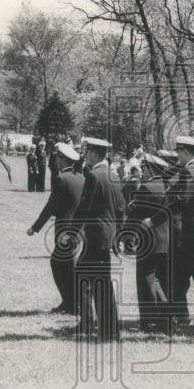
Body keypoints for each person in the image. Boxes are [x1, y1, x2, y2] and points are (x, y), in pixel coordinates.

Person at [143, 136, 194, 345]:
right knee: (178, 284)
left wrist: (153, 221)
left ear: (187, 153)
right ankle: (172, 325)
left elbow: (180, 202)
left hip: (191, 239)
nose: (177, 156)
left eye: (179, 152)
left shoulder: (189, 172)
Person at [72, 137, 123, 341]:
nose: (86, 157)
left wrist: (72, 231)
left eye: (88, 153)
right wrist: (117, 234)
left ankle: (98, 327)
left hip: (96, 235)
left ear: (94, 153)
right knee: (99, 281)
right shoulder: (113, 176)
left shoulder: (94, 176)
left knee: (88, 279)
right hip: (107, 235)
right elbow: (120, 209)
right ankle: (106, 329)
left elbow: (85, 207)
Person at [29, 143, 85, 314]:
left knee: (60, 265)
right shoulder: (82, 178)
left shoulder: (61, 179)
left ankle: (71, 303)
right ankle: (71, 302)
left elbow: (51, 206)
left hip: (65, 229)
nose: (55, 161)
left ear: (62, 159)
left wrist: (35, 227)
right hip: (80, 229)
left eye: (57, 158)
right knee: (68, 266)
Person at [123, 153, 171, 331]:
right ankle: (167, 317)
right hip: (166, 240)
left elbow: (135, 216)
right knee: (160, 281)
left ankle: (150, 320)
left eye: (144, 168)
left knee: (146, 280)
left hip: (148, 240)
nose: (142, 171)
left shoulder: (146, 188)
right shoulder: (168, 185)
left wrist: (124, 235)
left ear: (151, 168)